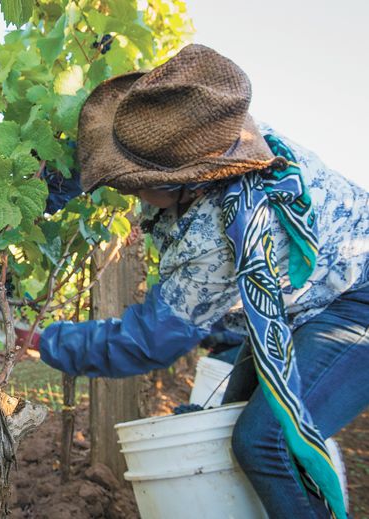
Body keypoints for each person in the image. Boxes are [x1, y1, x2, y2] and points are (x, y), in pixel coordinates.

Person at [39, 44, 368, 519]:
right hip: (310, 297)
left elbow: (147, 342)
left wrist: (46, 341)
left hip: (357, 301)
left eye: (131, 182)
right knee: (224, 419)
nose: (124, 189)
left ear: (183, 183)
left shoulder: (221, 231)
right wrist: (42, 193)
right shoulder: (225, 139)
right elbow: (111, 155)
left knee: (263, 442)